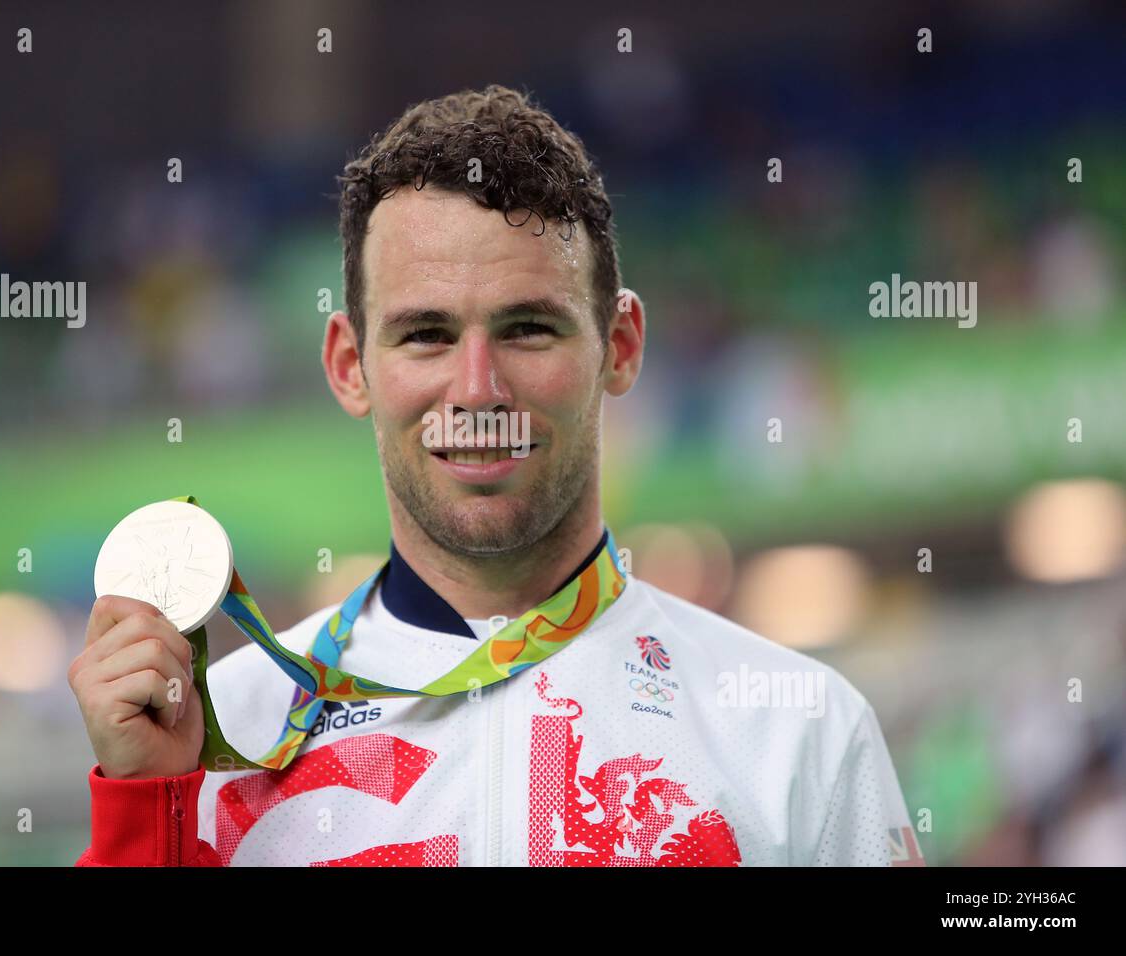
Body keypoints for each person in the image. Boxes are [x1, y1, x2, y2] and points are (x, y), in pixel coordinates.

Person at [69, 84, 913, 867]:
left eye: (528, 329)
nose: (477, 390)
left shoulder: (798, 729)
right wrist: (148, 819)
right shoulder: (220, 731)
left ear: (619, 347)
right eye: (427, 335)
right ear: (349, 365)